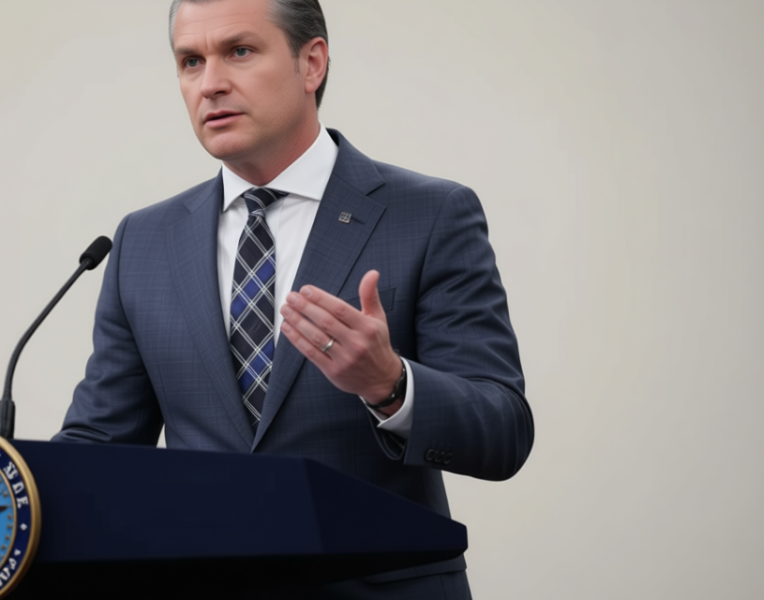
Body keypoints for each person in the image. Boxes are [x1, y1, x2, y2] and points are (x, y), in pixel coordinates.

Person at [53, 0, 533, 597]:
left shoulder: (431, 215)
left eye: (239, 51)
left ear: (312, 64)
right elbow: (100, 446)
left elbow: (503, 432)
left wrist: (391, 385)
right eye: (191, 61)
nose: (210, 84)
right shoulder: (144, 240)